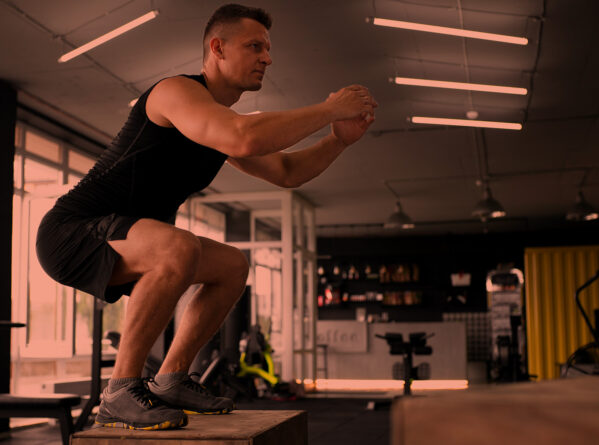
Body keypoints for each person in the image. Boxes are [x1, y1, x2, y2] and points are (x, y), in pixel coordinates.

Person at [36, 3, 377, 430]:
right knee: (179, 246)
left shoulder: (218, 126)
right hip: (72, 232)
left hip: (127, 236)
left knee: (232, 265)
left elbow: (288, 172)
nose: (267, 58)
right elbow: (244, 136)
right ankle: (120, 390)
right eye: (255, 46)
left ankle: (170, 379)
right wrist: (329, 109)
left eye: (268, 50)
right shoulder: (174, 93)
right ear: (217, 48)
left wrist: (337, 141)